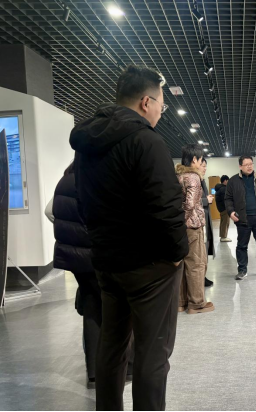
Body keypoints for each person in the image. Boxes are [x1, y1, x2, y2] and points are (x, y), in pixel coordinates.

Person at [70, 64, 188, 412]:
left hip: (107, 262)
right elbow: (166, 206)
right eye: (162, 105)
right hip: (150, 267)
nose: (161, 112)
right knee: (153, 354)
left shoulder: (87, 145)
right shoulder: (146, 141)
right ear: (146, 102)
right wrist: (178, 254)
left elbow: (82, 201)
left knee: (112, 347)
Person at [45, 164, 134, 389]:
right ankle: (127, 365)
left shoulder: (64, 182)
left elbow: (49, 211)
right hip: (100, 254)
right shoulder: (98, 178)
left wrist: (70, 232)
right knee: (119, 307)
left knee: (92, 305)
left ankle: (94, 372)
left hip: (74, 258)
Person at [176, 145, 215, 314]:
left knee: (181, 265)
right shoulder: (193, 177)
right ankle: (196, 303)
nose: (201, 164)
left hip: (179, 228)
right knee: (196, 264)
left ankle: (180, 302)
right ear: (194, 160)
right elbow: (190, 204)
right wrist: (185, 220)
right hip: (192, 225)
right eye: (200, 160)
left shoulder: (178, 176)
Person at [224, 156, 256, 280]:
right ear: (240, 166)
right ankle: (242, 270)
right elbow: (228, 198)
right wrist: (231, 212)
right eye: (246, 164)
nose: (249, 166)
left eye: (251, 163)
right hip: (243, 219)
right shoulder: (233, 181)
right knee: (242, 246)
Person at [199, 158, 215, 288]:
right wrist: (205, 200)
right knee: (199, 253)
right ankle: (200, 279)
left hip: (204, 219)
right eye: (202, 165)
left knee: (204, 250)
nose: (205, 168)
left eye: (205, 166)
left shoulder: (201, 180)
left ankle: (202, 276)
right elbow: (187, 202)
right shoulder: (192, 180)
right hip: (198, 223)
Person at [215, 175, 231, 243]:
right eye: (228, 181)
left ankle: (222, 236)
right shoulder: (224, 189)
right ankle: (223, 237)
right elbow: (225, 200)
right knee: (225, 222)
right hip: (225, 208)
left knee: (223, 222)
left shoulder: (219, 188)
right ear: (225, 181)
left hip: (221, 208)